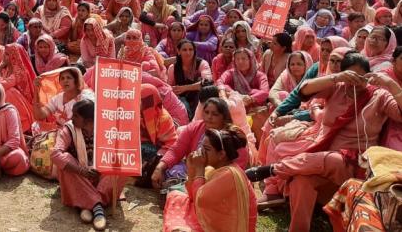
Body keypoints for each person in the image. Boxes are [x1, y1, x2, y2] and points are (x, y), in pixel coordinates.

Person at [245, 52, 402, 232]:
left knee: (335, 159)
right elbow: (304, 91)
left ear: (367, 76)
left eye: (360, 77)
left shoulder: (379, 96)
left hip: (356, 163)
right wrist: (335, 78)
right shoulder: (337, 87)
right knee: (301, 180)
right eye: (350, 76)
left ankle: (273, 170)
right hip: (322, 156)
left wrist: (389, 83)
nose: (355, 83)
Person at [162, 126, 256, 232]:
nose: (201, 152)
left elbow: (200, 201)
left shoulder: (229, 174)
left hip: (228, 227)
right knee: (176, 197)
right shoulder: (217, 169)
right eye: (201, 147)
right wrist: (192, 169)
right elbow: (193, 197)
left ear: (221, 155)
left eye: (206, 149)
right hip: (214, 217)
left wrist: (199, 169)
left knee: (179, 215)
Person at [51, 99, 111, 231]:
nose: (71, 118)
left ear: (89, 120)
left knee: (118, 164)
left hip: (99, 178)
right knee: (65, 159)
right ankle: (97, 207)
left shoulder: (106, 128)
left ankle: (84, 204)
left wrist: (101, 168)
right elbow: (55, 154)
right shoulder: (68, 129)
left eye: (76, 116)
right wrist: (81, 171)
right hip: (78, 177)